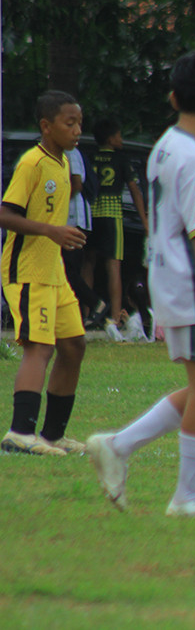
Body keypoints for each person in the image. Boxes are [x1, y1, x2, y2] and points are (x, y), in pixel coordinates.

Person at [86, 50, 195, 519]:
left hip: (175, 281)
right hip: (191, 287)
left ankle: (118, 445)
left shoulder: (163, 147)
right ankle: (187, 497)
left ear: (174, 97)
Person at [0, 90, 88, 456]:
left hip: (54, 272)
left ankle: (51, 435)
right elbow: (5, 215)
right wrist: (52, 231)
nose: (77, 131)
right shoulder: (31, 163)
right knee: (40, 348)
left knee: (74, 346)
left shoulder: (64, 162)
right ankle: (19, 434)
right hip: (27, 271)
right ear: (46, 126)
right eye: (70, 124)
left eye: (79, 123)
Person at [88, 118, 148, 332]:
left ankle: (86, 313)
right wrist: (144, 220)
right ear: (112, 138)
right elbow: (134, 190)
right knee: (113, 266)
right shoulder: (122, 159)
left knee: (88, 263)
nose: (121, 139)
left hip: (91, 216)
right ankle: (114, 317)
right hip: (113, 216)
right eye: (120, 135)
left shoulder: (90, 157)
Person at [63, 146, 107, 327]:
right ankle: (77, 315)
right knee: (67, 270)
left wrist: (58, 203)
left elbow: (77, 184)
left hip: (74, 220)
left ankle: (97, 304)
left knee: (68, 271)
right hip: (67, 221)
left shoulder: (70, 152)